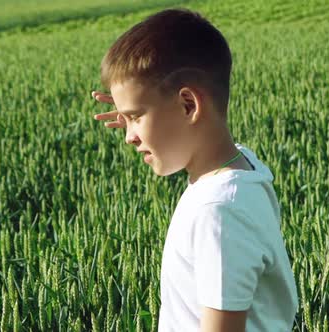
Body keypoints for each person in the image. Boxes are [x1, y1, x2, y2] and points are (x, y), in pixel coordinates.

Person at [91, 8, 298, 332]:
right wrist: (143, 116)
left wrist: (151, 119)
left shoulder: (217, 213)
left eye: (135, 117)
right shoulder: (241, 169)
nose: (129, 137)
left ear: (188, 105)